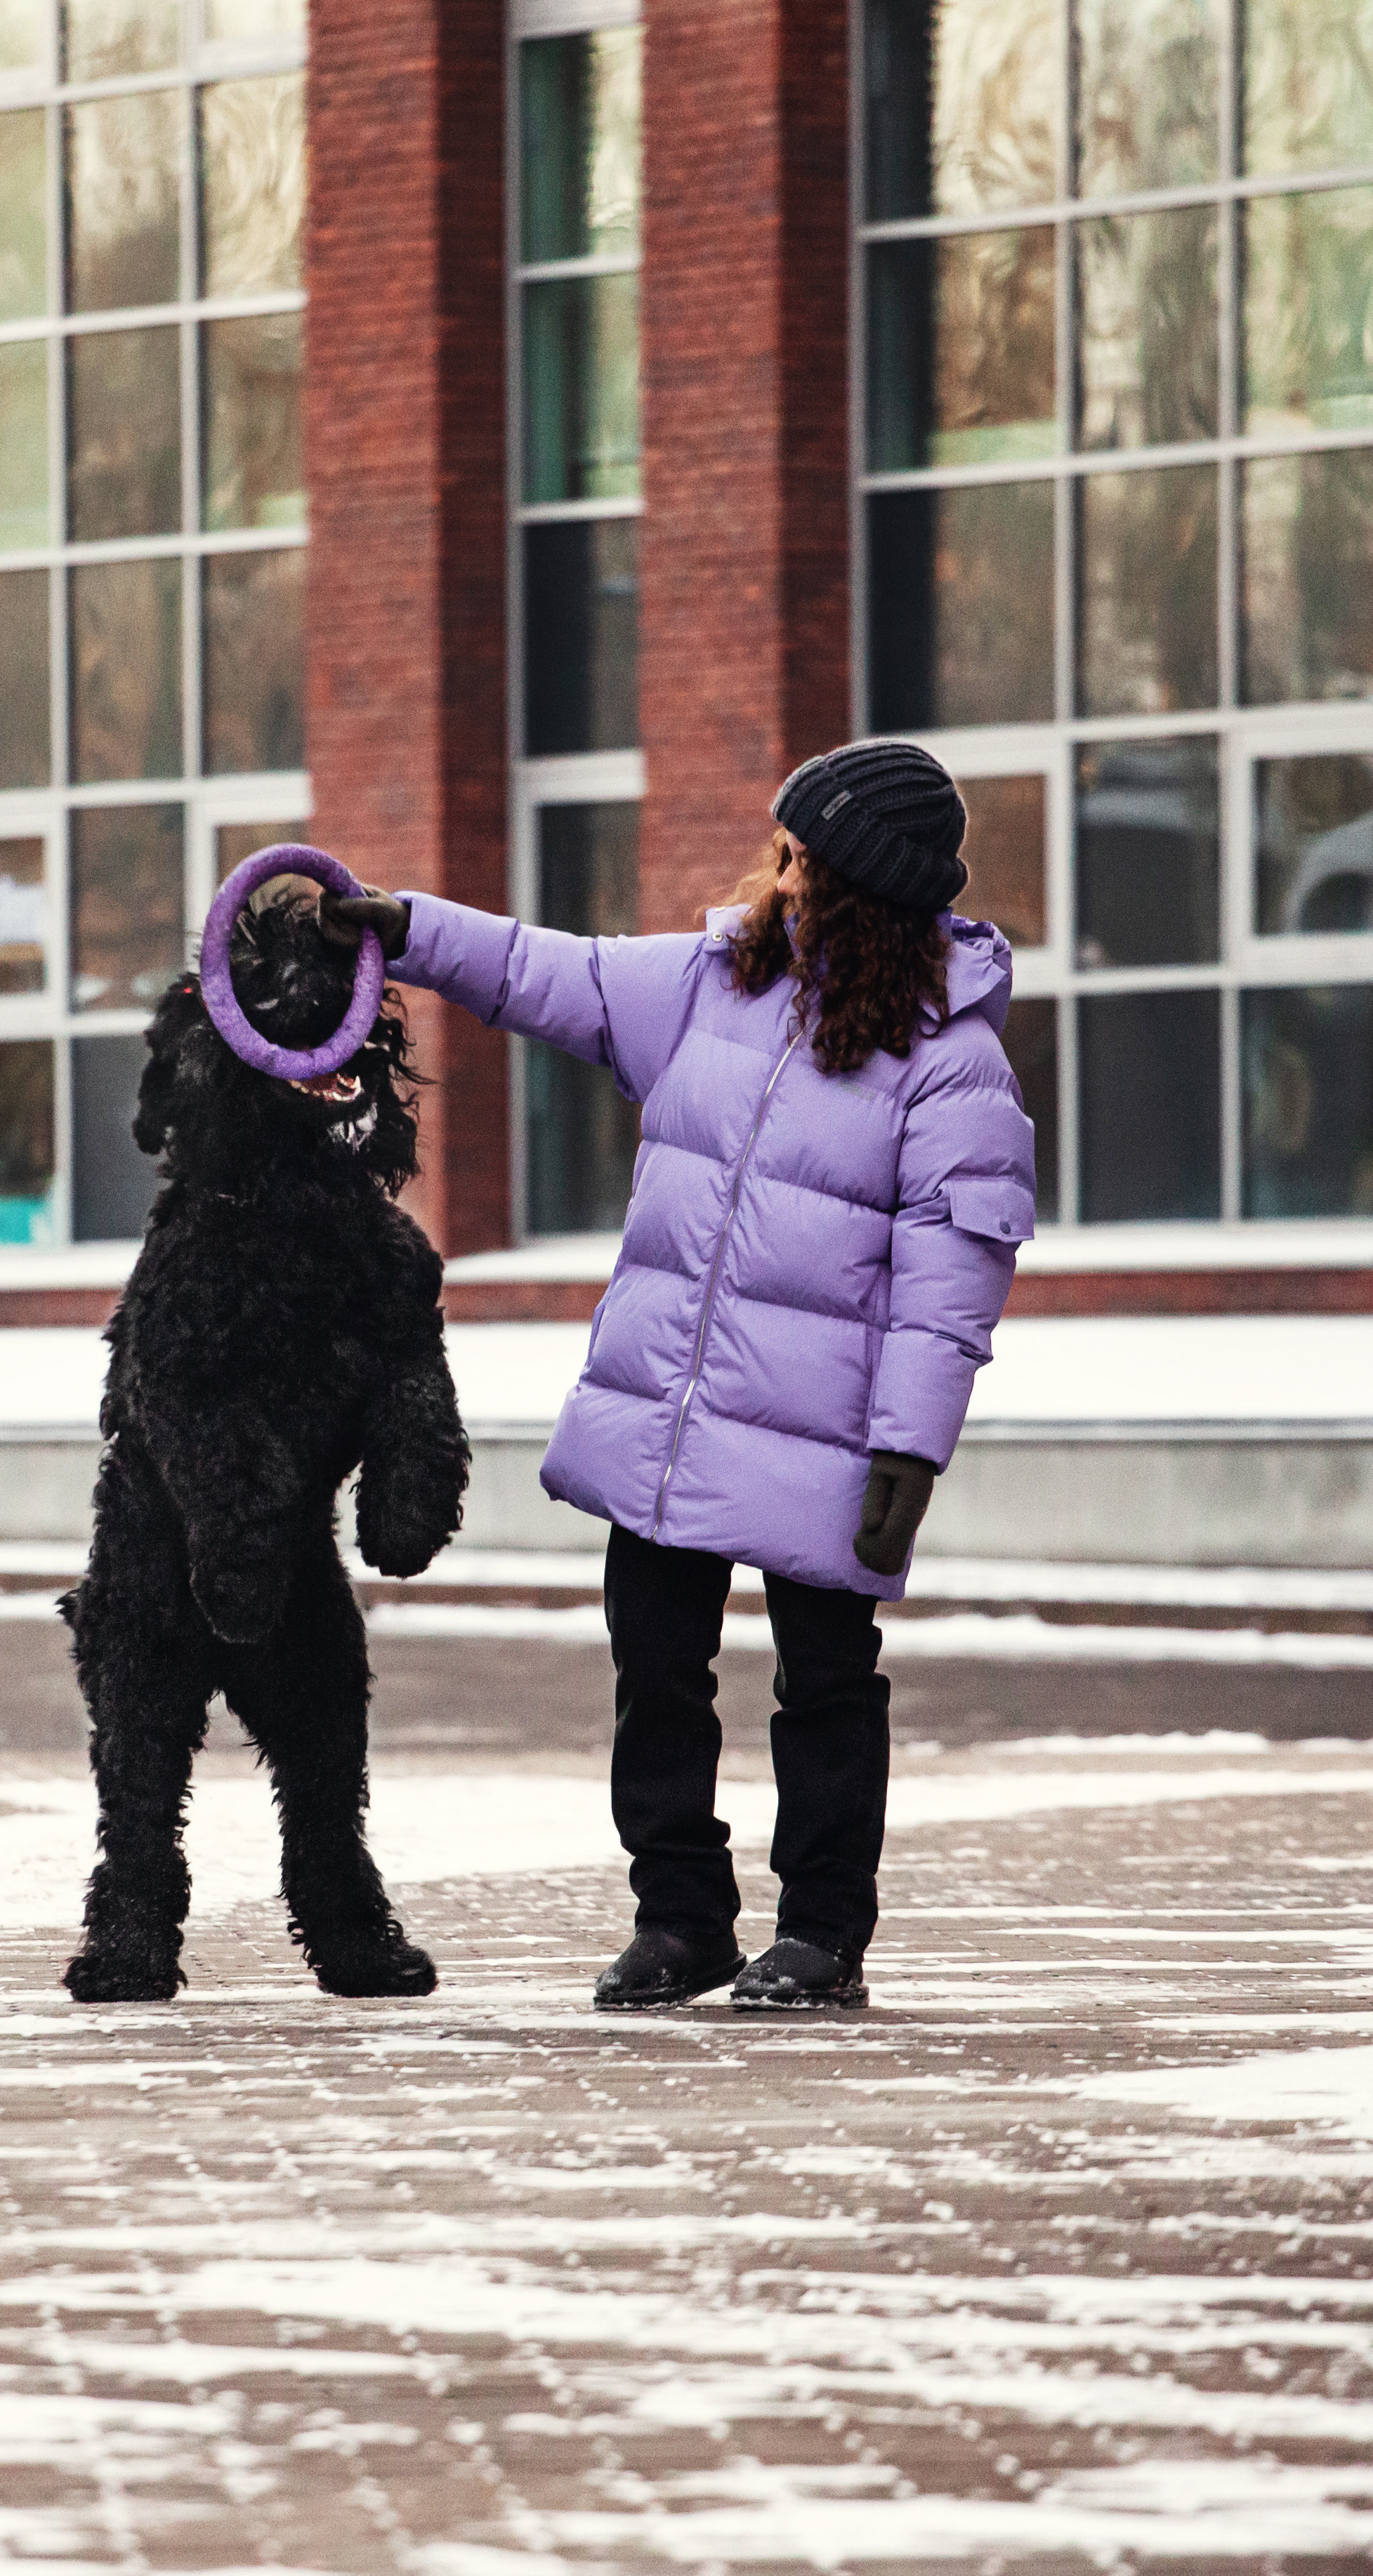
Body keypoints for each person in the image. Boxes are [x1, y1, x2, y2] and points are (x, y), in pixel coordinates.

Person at [321, 741, 1036, 2012]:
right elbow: (551, 971)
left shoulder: (949, 1060)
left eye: (808, 856)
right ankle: (682, 1919)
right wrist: (406, 928)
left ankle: (821, 1936)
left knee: (824, 1682)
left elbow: (956, 1275)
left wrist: (910, 1449)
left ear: (871, 890)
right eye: (786, 847)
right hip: (675, 1412)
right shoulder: (715, 984)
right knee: (655, 1667)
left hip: (831, 1434)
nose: (784, 870)